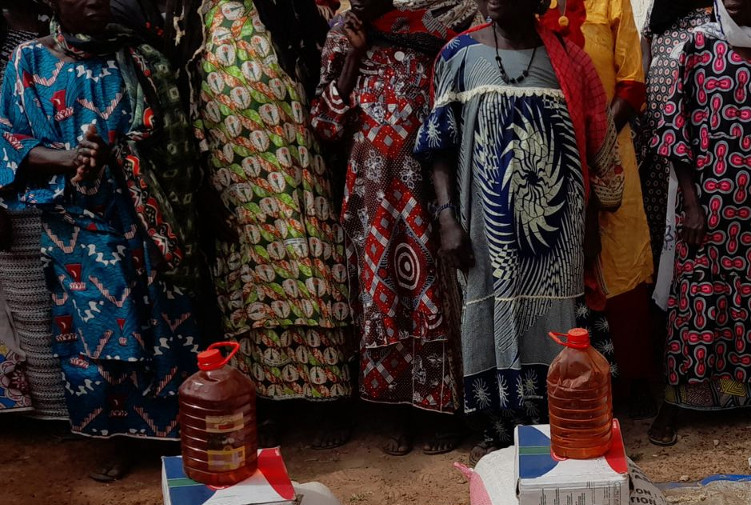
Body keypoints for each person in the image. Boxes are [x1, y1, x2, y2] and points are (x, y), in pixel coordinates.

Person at [0, 0, 204, 480]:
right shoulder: (28, 61)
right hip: (75, 225)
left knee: (164, 321)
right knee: (96, 333)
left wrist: (124, 152)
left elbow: (176, 129)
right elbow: (8, 138)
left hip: (146, 216)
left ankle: (173, 433)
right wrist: (67, 159)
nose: (96, 1)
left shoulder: (134, 53)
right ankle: (114, 438)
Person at [415, 0, 624, 463]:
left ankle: (560, 419)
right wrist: (447, 215)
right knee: (489, 313)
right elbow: (439, 144)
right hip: (485, 227)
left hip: (559, 230)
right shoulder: (459, 56)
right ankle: (496, 428)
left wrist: (592, 224)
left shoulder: (571, 61)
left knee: (557, 321)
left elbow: (596, 143)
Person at [172, 0, 354, 448]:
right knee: (251, 296)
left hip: (296, 175)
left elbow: (321, 78)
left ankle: (329, 402)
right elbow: (184, 102)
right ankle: (270, 404)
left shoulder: (286, 8)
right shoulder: (192, 18)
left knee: (311, 279)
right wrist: (204, 190)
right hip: (233, 183)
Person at [312, 0, 475, 456]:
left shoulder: (444, 17)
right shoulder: (345, 33)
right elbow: (325, 124)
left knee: (437, 294)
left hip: (429, 188)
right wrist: (353, 57)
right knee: (385, 299)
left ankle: (443, 408)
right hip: (373, 197)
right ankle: (400, 412)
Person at [646, 0, 751, 447]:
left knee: (749, 298)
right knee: (694, 300)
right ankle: (674, 403)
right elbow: (674, 129)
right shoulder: (699, 47)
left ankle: (744, 392)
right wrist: (691, 204)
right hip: (706, 207)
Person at [540, 0, 656, 418]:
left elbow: (632, 84)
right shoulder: (531, 8)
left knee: (622, 268)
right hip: (549, 160)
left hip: (611, 157)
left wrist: (596, 145)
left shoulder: (612, 3)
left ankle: (632, 384)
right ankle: (571, 389)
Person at [0, 0, 56, 418]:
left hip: (61, 192)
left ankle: (69, 410)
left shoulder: (48, 34)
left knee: (58, 305)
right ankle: (46, 413)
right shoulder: (10, 45)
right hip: (13, 193)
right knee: (29, 309)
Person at [635, 0, 710, 263]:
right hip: (654, 129)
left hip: (691, 136)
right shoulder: (658, 14)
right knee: (653, 204)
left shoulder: (716, 16)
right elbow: (645, 59)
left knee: (686, 203)